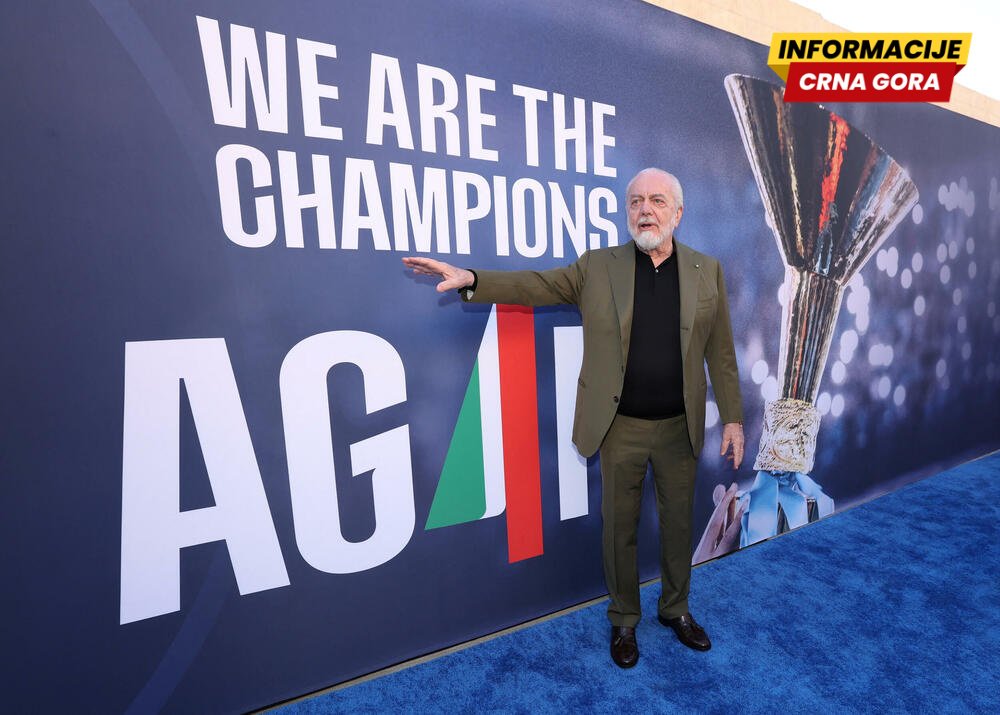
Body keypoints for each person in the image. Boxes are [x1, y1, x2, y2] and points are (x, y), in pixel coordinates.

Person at [403, 168, 744, 669]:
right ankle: (624, 619)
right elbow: (536, 285)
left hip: (680, 427)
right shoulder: (598, 267)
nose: (644, 210)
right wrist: (473, 279)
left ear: (678, 213)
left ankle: (676, 609)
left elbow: (722, 352)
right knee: (618, 529)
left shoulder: (705, 270)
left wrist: (733, 417)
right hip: (620, 427)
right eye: (635, 202)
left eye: (655, 201)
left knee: (678, 526)